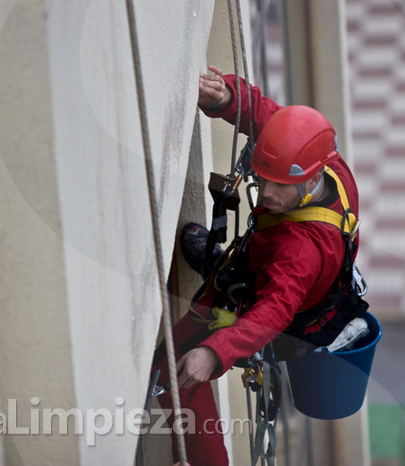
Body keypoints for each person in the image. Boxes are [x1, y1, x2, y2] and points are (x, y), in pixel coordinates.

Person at [152, 65, 362, 466]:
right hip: (284, 270)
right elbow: (272, 119)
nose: (265, 194)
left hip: (272, 304)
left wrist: (215, 352)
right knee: (236, 264)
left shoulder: (299, 251)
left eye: (278, 185)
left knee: (173, 372)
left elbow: (274, 311)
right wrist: (227, 97)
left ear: (309, 178)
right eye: (263, 179)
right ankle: (218, 264)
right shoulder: (325, 164)